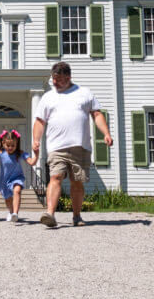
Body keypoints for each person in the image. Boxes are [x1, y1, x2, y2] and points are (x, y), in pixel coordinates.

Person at [32, 61, 113, 228]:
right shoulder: (48, 96)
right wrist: (36, 139)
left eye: (58, 79)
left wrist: (106, 133)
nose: (54, 82)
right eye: (53, 78)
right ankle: (50, 213)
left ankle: (76, 216)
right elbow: (40, 121)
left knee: (77, 182)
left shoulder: (84, 93)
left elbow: (96, 114)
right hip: (56, 147)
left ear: (68, 78)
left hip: (80, 147)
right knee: (55, 177)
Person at [0, 129, 38, 223]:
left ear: (17, 144)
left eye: (13, 145)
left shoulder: (20, 153)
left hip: (17, 178)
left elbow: (32, 162)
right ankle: (11, 212)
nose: (10, 147)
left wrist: (36, 154)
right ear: (3, 143)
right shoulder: (0, 153)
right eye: (8, 145)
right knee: (8, 199)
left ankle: (15, 214)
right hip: (4, 181)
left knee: (17, 191)